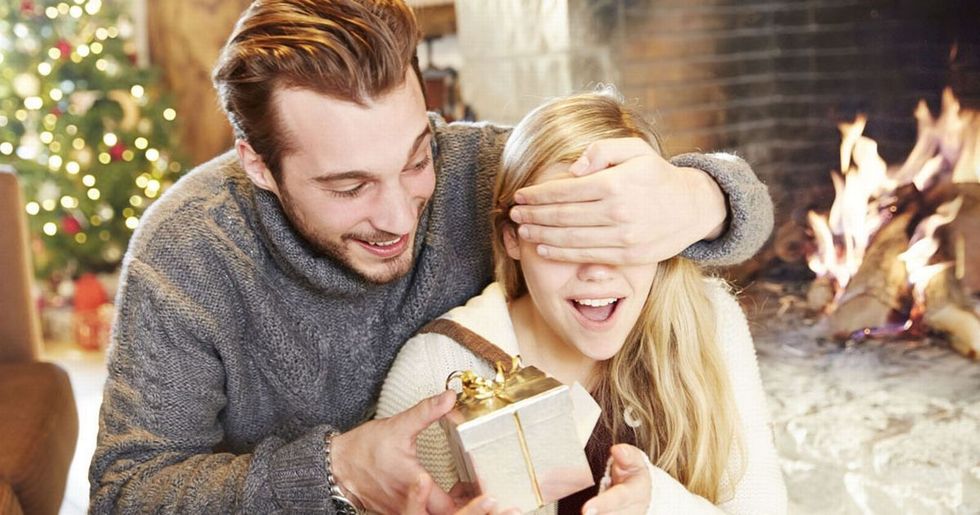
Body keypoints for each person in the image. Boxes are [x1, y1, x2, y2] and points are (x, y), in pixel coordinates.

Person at [88, 1, 775, 513]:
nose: (397, 215)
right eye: (348, 185)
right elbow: (125, 491)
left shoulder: (478, 171)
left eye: (415, 158)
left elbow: (745, 212)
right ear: (258, 165)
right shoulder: (188, 253)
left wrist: (698, 196)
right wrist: (337, 468)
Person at [377, 90, 787, 515]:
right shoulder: (435, 372)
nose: (597, 270)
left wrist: (656, 506)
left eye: (617, 233)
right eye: (566, 238)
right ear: (511, 238)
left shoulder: (710, 320)